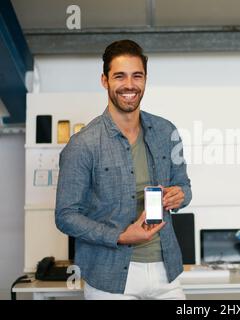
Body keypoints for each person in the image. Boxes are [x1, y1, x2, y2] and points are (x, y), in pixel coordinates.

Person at [55, 39, 192, 300]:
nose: (129, 85)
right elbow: (65, 215)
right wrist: (120, 236)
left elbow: (184, 186)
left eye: (136, 76)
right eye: (120, 76)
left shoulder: (167, 131)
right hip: (109, 278)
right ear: (105, 81)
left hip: (167, 272)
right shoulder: (82, 144)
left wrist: (180, 195)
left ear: (145, 79)